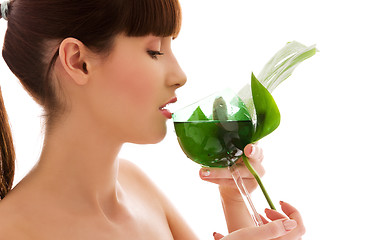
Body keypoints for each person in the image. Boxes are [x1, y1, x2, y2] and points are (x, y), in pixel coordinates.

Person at [0, 0, 306, 239]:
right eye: (155, 51)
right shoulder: (11, 231)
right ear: (78, 62)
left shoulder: (136, 186)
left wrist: (236, 203)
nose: (180, 76)